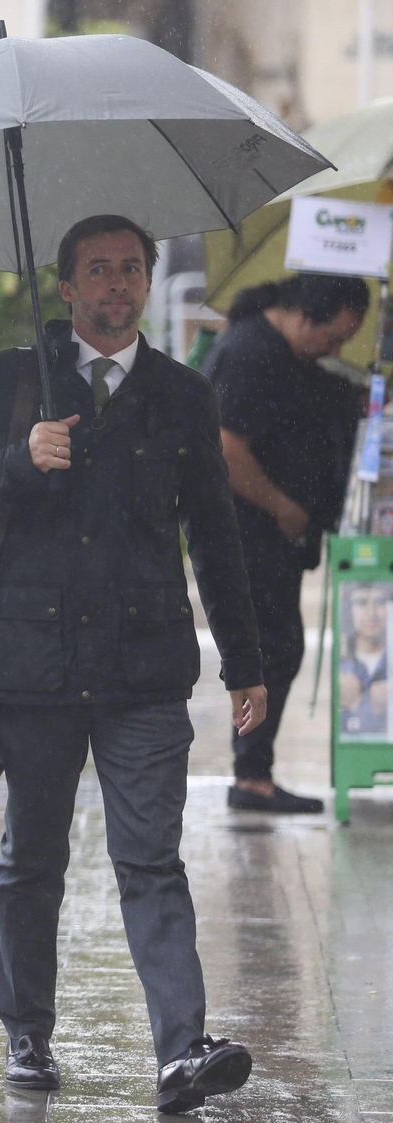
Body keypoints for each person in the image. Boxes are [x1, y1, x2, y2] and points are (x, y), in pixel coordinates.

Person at [0, 215, 268, 1115]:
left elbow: (217, 538)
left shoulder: (182, 394)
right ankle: (28, 1034)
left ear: (148, 283)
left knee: (152, 859)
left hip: (145, 669)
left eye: (132, 269)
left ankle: (181, 1051)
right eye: (98, 270)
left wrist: (246, 662)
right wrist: (18, 459)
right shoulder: (5, 382)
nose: (117, 284)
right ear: (65, 286)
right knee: (32, 859)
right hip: (29, 669)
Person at [203, 273, 369, 812]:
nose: (333, 350)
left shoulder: (285, 355)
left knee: (278, 647)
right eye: (332, 338)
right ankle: (251, 777)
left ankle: (255, 773)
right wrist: (285, 508)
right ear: (303, 316)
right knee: (271, 648)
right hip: (250, 533)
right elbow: (225, 447)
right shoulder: (251, 353)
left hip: (275, 537)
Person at [339, 582, 390, 737]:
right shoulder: (341, 661)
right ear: (349, 609)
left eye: (380, 602)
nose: (372, 613)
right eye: (361, 602)